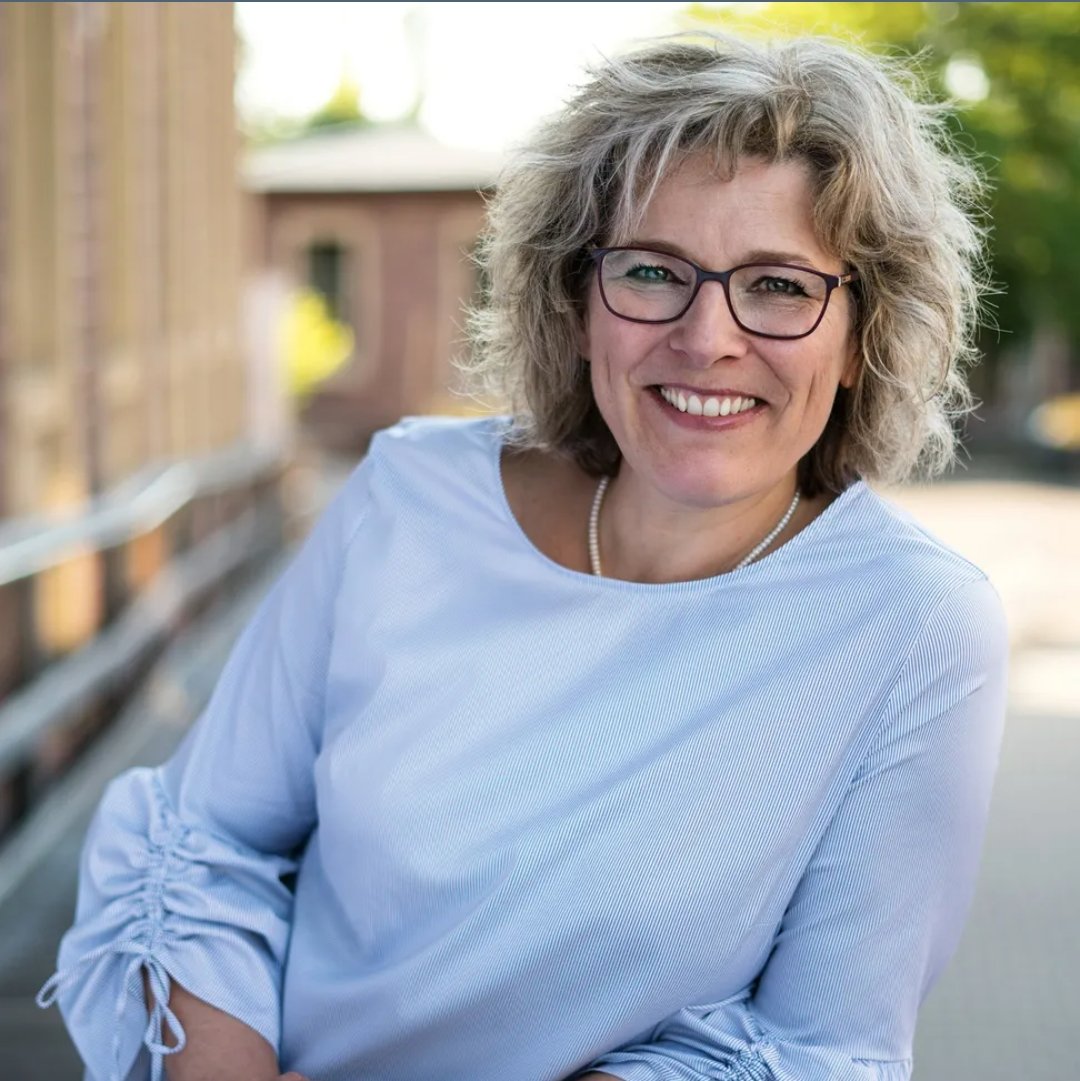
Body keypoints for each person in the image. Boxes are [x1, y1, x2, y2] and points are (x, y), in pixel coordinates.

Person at [39, 32, 1007, 1081]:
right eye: (653, 270)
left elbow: (820, 1053)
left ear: (863, 328)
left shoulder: (915, 627)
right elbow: (204, 843)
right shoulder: (410, 499)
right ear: (576, 300)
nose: (707, 338)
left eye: (777, 285)